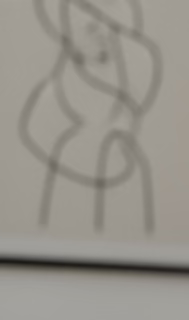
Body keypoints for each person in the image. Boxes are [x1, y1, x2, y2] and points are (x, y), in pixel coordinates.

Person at [19, 0, 162, 233]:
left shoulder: (129, 87)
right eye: (90, 25)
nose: (102, 32)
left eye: (110, 26)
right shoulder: (52, 104)